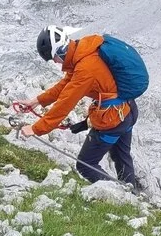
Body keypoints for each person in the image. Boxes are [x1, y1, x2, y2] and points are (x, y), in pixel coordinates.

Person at [16, 26, 143, 189]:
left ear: (60, 50)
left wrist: (36, 128)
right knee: (121, 155)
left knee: (85, 164)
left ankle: (122, 195)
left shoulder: (85, 68)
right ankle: (130, 190)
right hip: (127, 110)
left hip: (112, 120)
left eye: (54, 57)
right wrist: (36, 101)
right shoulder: (82, 51)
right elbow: (64, 85)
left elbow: (66, 102)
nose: (55, 62)